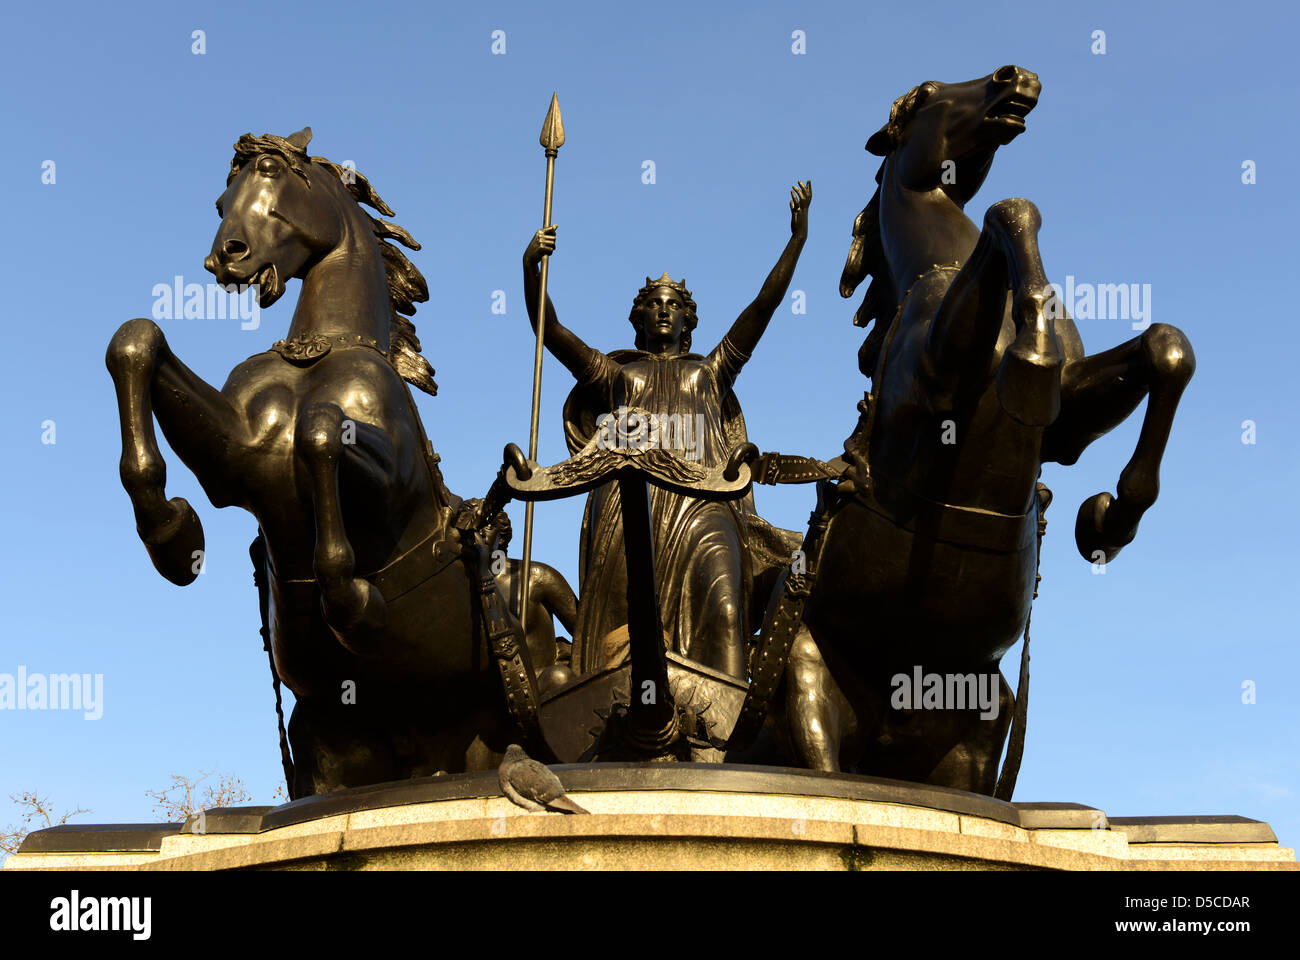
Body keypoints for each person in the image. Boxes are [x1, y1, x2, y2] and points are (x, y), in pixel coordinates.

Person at [522, 181, 811, 681]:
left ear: (687, 320)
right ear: (638, 317)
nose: (662, 309)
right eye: (653, 303)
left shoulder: (711, 372)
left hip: (702, 505)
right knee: (624, 634)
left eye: (673, 304)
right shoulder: (618, 377)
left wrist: (797, 239)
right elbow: (550, 329)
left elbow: (763, 304)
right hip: (629, 507)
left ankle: (728, 730)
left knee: (724, 606)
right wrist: (530, 268)